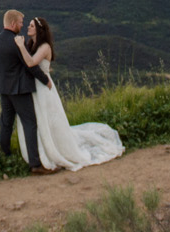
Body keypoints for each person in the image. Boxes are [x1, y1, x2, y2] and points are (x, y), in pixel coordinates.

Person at [12, 17, 124, 171]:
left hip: (44, 89)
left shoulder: (44, 47)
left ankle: (55, 150)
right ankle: (42, 151)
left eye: (31, 26)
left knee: (49, 119)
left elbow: (31, 63)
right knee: (40, 120)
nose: (28, 27)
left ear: (39, 30)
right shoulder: (32, 44)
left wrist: (20, 46)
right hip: (35, 87)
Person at [0, 9, 53, 173]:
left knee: (6, 123)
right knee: (30, 124)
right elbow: (30, 66)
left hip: (4, 89)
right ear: (14, 23)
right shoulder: (17, 42)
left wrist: (2, 77)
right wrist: (46, 81)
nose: (22, 26)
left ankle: (5, 156)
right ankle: (35, 164)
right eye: (21, 23)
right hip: (20, 89)